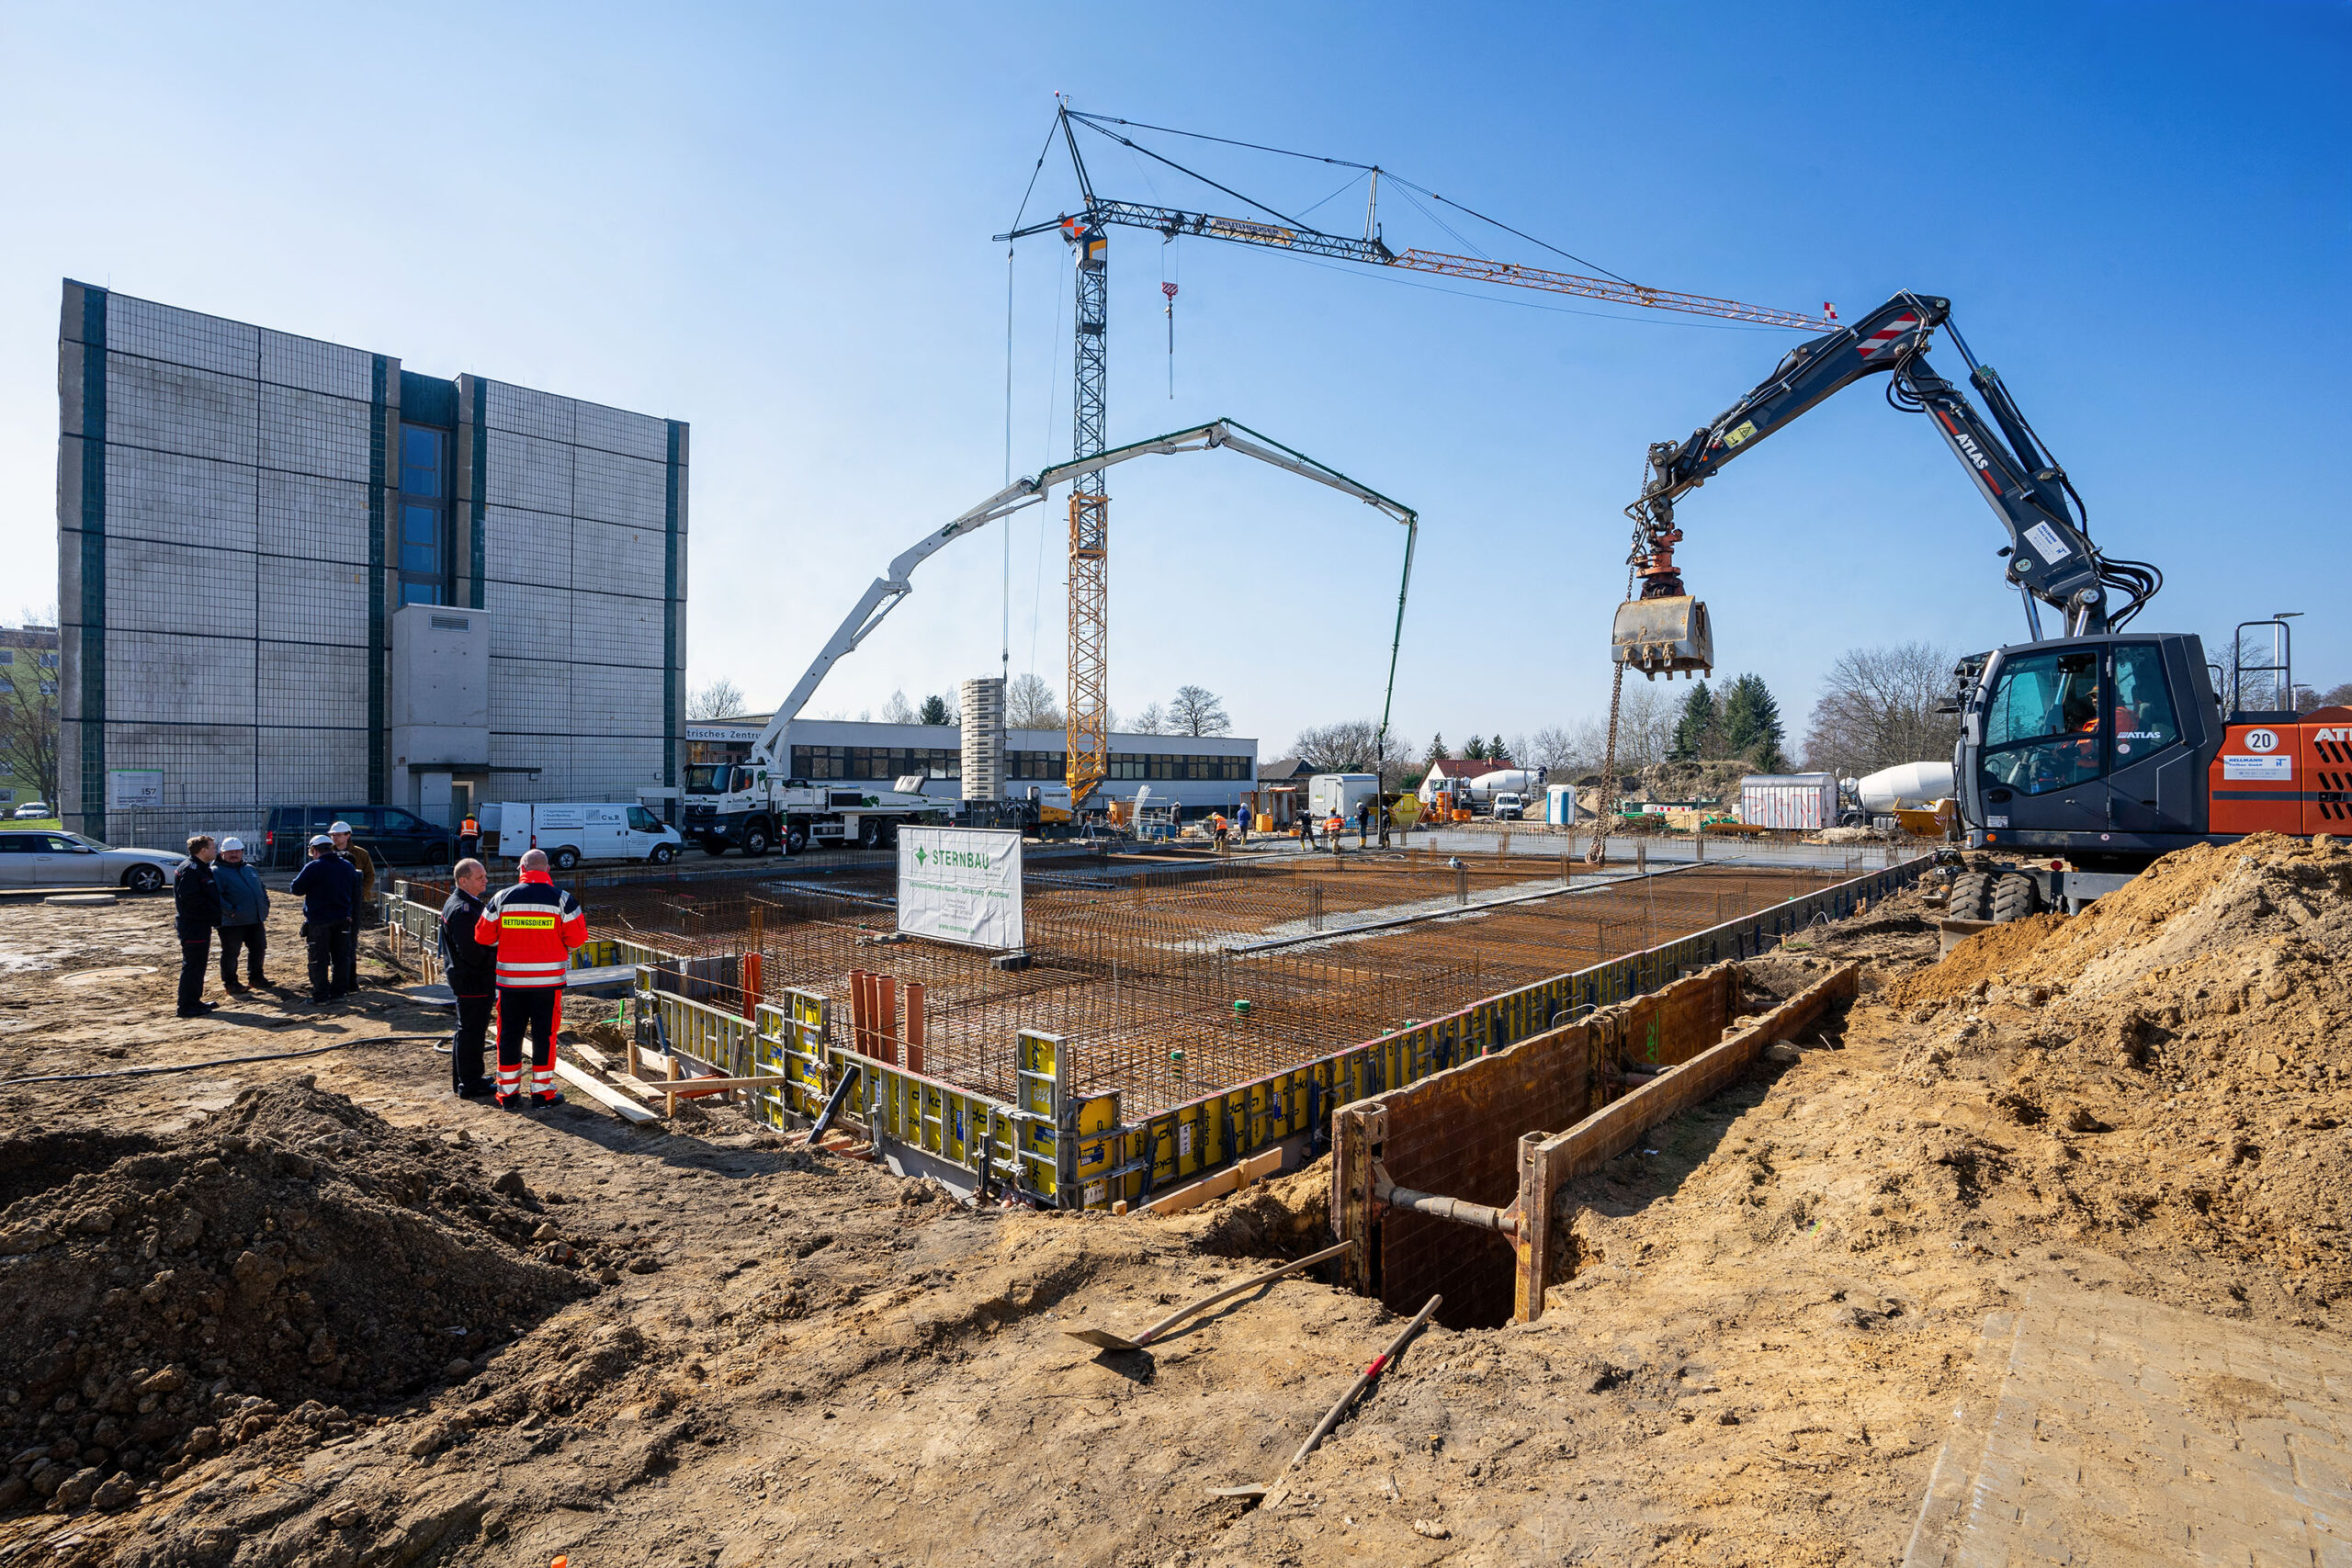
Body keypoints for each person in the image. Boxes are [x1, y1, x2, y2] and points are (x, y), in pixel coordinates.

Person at [473, 847, 587, 1110]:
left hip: (511, 984)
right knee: (544, 1037)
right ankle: (542, 1093)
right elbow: (578, 938)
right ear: (547, 869)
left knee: (509, 1036)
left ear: (522, 870)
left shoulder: (501, 898)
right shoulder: (563, 900)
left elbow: (482, 936)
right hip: (547, 985)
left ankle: (509, 1094)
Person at [437, 858, 497, 1099]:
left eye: (484, 876)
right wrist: (497, 955)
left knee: (469, 1030)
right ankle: (470, 1083)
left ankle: (468, 1077)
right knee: (472, 1031)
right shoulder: (462, 910)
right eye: (479, 878)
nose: (485, 881)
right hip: (473, 979)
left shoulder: (465, 903)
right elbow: (472, 952)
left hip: (469, 977)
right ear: (463, 881)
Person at [290, 834, 360, 1002]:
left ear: (314, 850)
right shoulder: (348, 867)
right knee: (341, 957)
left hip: (319, 921)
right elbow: (354, 891)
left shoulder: (313, 867)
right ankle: (339, 992)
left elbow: (296, 889)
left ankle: (321, 994)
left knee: (318, 958)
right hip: (343, 919)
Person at [212, 837, 270, 993]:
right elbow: (216, 897)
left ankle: (256, 977)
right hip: (231, 922)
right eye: (230, 851)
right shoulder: (216, 872)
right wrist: (231, 912)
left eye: (237, 851)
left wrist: (265, 904)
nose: (234, 854)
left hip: (255, 918)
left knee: (259, 948)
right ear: (222, 853)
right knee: (231, 953)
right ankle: (230, 983)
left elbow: (261, 888)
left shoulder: (249, 869)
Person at [172, 835, 220, 1019]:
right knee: (193, 965)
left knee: (198, 965)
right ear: (203, 850)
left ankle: (195, 1001)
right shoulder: (191, 870)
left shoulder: (200, 867)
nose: (215, 851)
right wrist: (215, 910)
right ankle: (186, 1006)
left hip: (200, 923)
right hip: (193, 924)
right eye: (213, 847)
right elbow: (191, 899)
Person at [330, 820, 378, 928]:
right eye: (332, 835)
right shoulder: (328, 853)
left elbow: (370, 875)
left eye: (338, 835)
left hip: (355, 896)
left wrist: (362, 892)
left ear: (348, 835)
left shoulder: (361, 854)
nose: (334, 837)